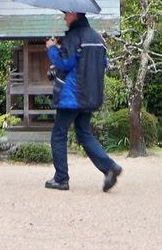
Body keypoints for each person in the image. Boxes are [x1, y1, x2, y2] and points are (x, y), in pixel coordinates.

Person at [44, 11, 122, 192]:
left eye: (66, 14)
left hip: (71, 96)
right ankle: (110, 167)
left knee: (58, 135)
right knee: (84, 133)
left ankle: (61, 179)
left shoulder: (74, 36)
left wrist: (52, 49)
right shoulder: (97, 38)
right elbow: (102, 64)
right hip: (90, 95)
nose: (64, 17)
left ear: (74, 14)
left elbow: (65, 63)